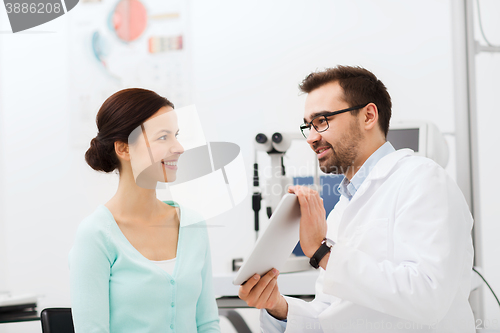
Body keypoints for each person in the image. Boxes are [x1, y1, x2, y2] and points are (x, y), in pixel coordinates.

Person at [238, 66, 475, 332]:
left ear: (368, 116)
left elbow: (429, 298)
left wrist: (322, 251)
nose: (312, 137)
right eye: (309, 126)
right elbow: (330, 315)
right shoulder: (343, 207)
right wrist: (278, 308)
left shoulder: (423, 180)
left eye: (323, 120)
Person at [69, 88, 221, 333]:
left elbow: (207, 323)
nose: (179, 147)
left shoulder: (192, 224)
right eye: (163, 137)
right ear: (124, 149)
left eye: (176, 135)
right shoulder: (95, 235)